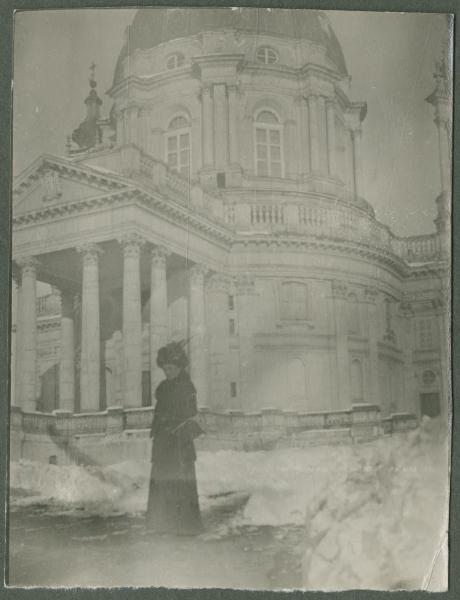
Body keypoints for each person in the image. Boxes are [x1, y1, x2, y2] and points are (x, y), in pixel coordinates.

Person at [146, 341, 204, 535]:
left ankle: (185, 527)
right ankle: (162, 524)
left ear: (179, 367)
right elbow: (158, 414)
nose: (168, 372)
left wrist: (173, 424)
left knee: (180, 483)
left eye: (171, 368)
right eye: (165, 368)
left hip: (180, 445)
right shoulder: (163, 388)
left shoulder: (187, 387)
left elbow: (191, 413)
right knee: (162, 482)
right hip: (163, 445)